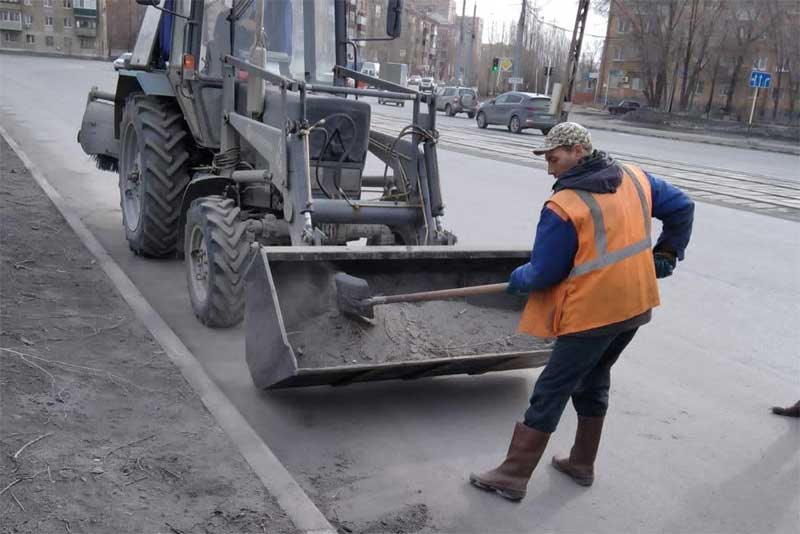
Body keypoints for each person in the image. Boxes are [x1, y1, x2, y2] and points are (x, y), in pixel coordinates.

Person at [469, 122, 695, 501]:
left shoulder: (565, 205)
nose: (550, 169)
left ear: (577, 152)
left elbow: (544, 271)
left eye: (554, 159)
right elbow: (683, 207)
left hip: (594, 313)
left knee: (552, 388)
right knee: (594, 377)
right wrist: (667, 252)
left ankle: (512, 475)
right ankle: (582, 462)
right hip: (635, 305)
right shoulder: (636, 178)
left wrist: (519, 278)